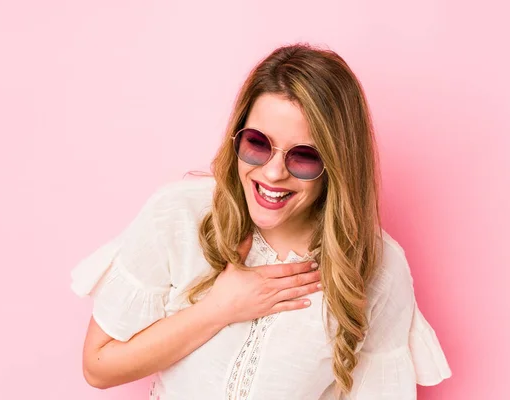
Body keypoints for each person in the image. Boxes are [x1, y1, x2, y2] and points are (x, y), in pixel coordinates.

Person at [70, 43, 452, 400]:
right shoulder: (179, 214)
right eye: (257, 143)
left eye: (303, 156)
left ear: (336, 165)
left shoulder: (377, 265)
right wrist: (217, 309)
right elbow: (100, 367)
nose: (271, 174)